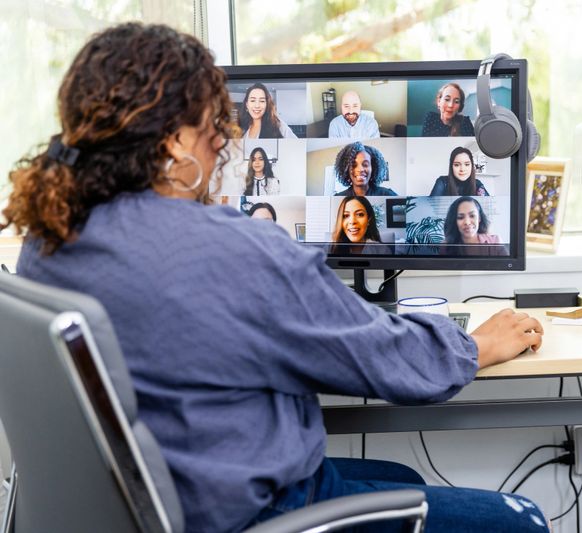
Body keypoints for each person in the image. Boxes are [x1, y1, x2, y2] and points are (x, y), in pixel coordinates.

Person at [1, 23, 548, 533]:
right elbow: (382, 359)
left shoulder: (50, 238)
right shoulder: (231, 248)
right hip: (243, 512)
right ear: (172, 142)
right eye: (214, 124)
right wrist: (473, 345)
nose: (223, 140)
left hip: (159, 498)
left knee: (400, 480)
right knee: (521, 518)